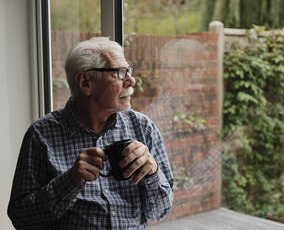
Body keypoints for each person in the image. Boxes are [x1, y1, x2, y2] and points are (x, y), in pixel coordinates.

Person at [7, 37, 174, 229]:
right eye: (119, 73)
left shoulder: (143, 128)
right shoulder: (41, 135)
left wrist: (152, 173)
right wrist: (70, 181)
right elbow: (21, 218)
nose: (131, 80)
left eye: (129, 71)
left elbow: (160, 211)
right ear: (85, 82)